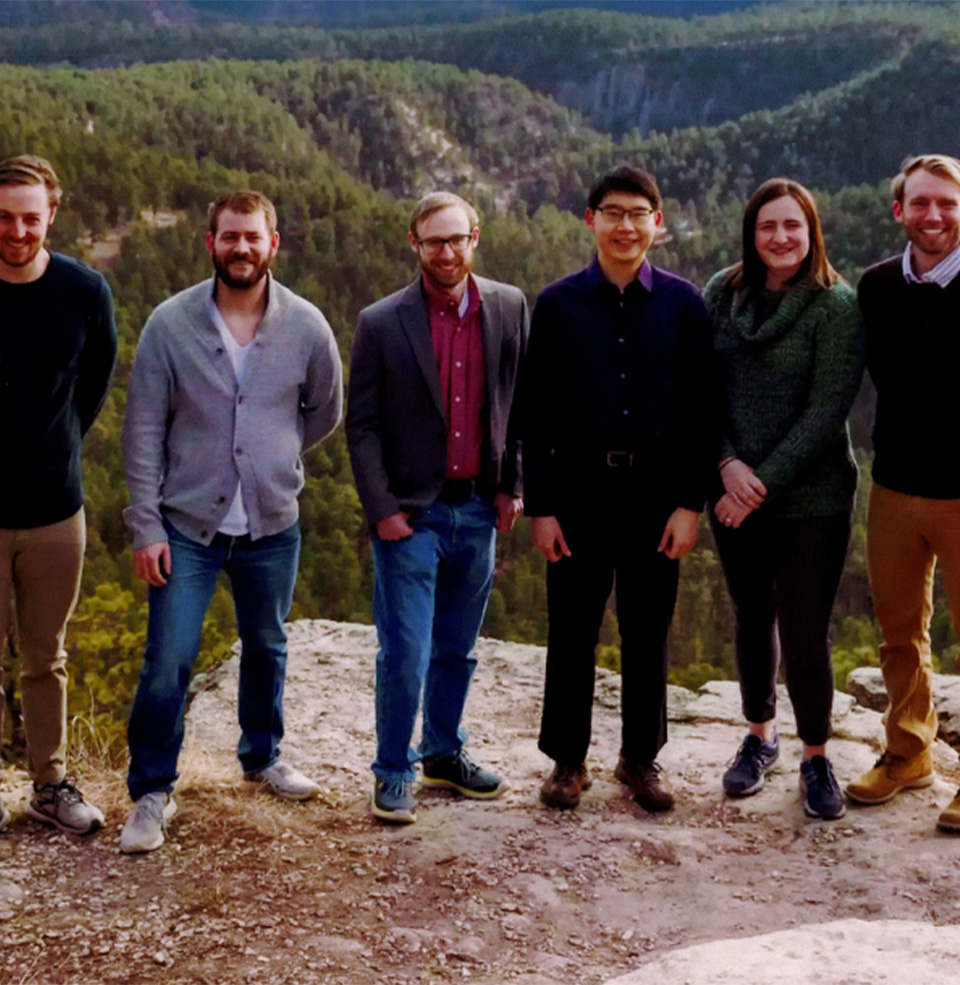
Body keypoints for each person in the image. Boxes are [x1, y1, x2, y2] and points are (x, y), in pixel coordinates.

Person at [121, 190, 342, 852]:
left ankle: (262, 753)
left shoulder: (305, 326)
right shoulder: (170, 324)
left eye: (253, 236)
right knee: (169, 658)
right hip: (186, 525)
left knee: (268, 643)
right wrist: (146, 524)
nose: (241, 247)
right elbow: (141, 431)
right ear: (210, 243)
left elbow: (323, 409)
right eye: (229, 236)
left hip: (272, 523)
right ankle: (152, 791)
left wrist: (272, 457)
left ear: (273, 244)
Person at [525, 165, 713, 812]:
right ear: (591, 221)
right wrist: (541, 507)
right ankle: (566, 761)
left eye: (639, 213)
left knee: (648, 627)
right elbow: (536, 415)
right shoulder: (557, 305)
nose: (626, 225)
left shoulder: (685, 306)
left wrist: (691, 503)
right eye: (613, 212)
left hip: (658, 496)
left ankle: (640, 760)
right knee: (572, 628)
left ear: (656, 224)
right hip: (578, 493)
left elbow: (702, 413)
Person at [346, 191, 528, 824]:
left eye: (457, 240)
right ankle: (393, 769)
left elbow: (516, 404)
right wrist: (382, 510)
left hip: (479, 508)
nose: (447, 253)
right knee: (406, 649)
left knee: (458, 646)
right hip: (412, 515)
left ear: (475, 238)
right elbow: (361, 426)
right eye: (434, 242)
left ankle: (444, 754)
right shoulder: (381, 321)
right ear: (413, 244)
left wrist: (513, 486)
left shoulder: (508, 306)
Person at [704, 178, 863, 820]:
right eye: (768, 226)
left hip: (813, 499)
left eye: (792, 226)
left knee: (804, 629)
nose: (780, 238)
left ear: (811, 230)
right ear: (752, 232)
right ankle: (759, 736)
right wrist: (725, 463)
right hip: (733, 486)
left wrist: (756, 483)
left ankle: (816, 755)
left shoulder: (836, 304)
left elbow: (826, 411)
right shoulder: (723, 292)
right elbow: (700, 388)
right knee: (749, 615)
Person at [0, 154, 116, 835]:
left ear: (53, 214)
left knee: (47, 655)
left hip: (53, 509)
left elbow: (94, 382)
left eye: (30, 218)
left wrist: (59, 444)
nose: (16, 231)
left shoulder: (83, 290)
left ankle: (50, 785)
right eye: (5, 218)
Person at [846, 154, 960, 832]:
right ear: (899, 210)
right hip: (894, 485)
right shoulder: (878, 286)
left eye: (947, 203)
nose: (934, 216)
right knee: (898, 633)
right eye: (920, 203)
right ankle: (909, 750)